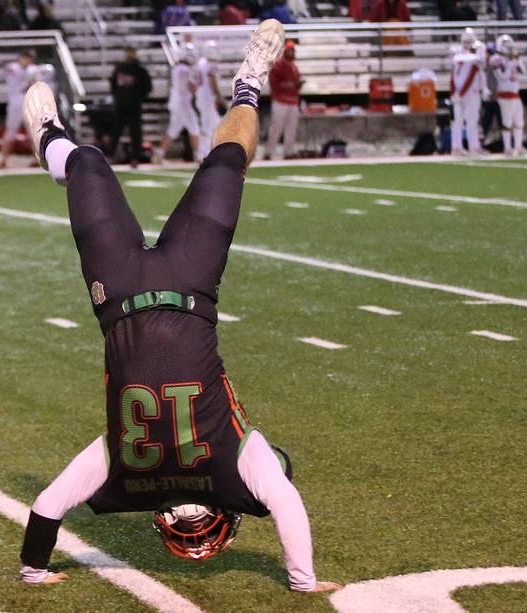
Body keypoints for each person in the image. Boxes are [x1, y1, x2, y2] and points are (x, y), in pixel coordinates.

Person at [18, 19, 343, 595]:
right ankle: (248, 82)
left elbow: (286, 502)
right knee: (140, 164)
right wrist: (33, 568)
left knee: (146, 163)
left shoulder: (238, 469)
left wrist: (305, 580)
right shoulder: (127, 472)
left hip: (137, 291)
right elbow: (47, 506)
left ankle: (48, 135)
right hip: (173, 289)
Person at [155, 44, 200, 162]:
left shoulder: (176, 68)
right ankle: (198, 155)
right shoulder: (186, 69)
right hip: (184, 103)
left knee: (173, 129)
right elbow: (191, 87)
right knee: (194, 128)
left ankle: (159, 154)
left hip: (175, 102)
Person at [109, 46, 153, 165]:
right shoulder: (120, 68)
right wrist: (118, 97)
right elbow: (113, 85)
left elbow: (147, 86)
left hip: (135, 104)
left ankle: (136, 157)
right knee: (116, 130)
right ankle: (110, 155)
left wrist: (139, 98)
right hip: (121, 104)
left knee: (136, 132)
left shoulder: (140, 69)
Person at [450, 29, 487, 155]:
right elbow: (471, 73)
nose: (467, 44)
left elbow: (479, 72)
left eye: (469, 42)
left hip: (465, 91)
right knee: (461, 120)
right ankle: (460, 147)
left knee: (470, 120)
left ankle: (471, 146)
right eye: (466, 42)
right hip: (467, 91)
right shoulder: (470, 56)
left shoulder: (458, 55)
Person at [265, 39, 302, 160]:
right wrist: (290, 85)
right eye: (290, 50)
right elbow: (276, 83)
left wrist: (297, 85)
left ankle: (288, 152)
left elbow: (295, 82)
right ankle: (268, 152)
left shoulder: (294, 66)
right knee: (276, 128)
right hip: (280, 101)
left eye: (293, 50)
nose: (291, 53)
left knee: (291, 128)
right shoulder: (278, 65)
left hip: (293, 101)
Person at [489, 35, 524, 155]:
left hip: (515, 93)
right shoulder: (496, 59)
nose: (508, 47)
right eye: (505, 44)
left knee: (519, 122)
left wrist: (517, 60)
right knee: (507, 122)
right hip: (505, 94)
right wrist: (510, 64)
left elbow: (523, 70)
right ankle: (507, 148)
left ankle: (518, 147)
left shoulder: (513, 58)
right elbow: (502, 78)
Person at [1, 50, 37, 168]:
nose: (28, 61)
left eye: (30, 58)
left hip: (29, 102)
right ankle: (4, 159)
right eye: (26, 58)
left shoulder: (33, 69)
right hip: (15, 103)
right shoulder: (13, 68)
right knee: (11, 131)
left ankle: (37, 159)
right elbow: (14, 83)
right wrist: (27, 78)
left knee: (33, 132)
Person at [193, 40, 226, 162]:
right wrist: (220, 98)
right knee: (209, 127)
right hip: (208, 99)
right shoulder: (212, 65)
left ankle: (211, 152)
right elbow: (213, 83)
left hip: (201, 97)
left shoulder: (201, 63)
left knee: (215, 125)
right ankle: (202, 154)